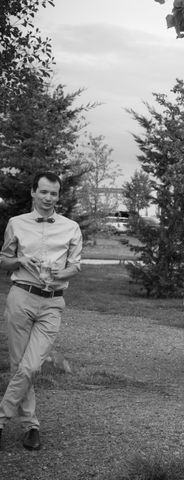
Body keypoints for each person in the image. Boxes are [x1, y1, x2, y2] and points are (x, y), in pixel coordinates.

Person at [0, 172, 82, 451]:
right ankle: (31, 425)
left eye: (54, 193)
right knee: (18, 364)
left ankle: (1, 417)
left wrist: (63, 271)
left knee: (32, 364)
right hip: (21, 296)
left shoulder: (71, 227)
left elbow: (76, 266)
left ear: (59, 196)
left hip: (52, 301)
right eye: (44, 192)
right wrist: (20, 258)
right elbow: (4, 260)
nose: (49, 198)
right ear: (33, 193)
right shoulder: (16, 223)